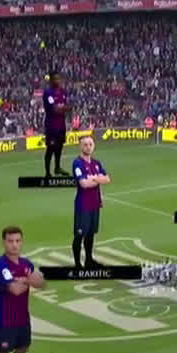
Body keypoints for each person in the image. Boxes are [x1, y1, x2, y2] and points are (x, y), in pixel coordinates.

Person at [0, 225, 45, 353]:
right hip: (5, 318)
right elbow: (15, 290)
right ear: (4, 242)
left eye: (17, 241)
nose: (14, 245)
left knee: (22, 349)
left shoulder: (26, 263)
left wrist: (24, 279)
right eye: (10, 241)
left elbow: (41, 283)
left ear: (22, 242)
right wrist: (29, 280)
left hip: (22, 317)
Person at [71, 135, 110, 268]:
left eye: (90, 144)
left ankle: (89, 260)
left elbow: (107, 179)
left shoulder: (96, 163)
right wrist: (98, 179)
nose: (88, 147)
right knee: (79, 235)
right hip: (83, 205)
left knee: (90, 234)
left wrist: (94, 179)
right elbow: (84, 184)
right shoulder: (78, 163)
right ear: (80, 146)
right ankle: (77, 264)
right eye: (85, 144)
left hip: (95, 203)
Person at [42, 70, 71, 178]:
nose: (57, 81)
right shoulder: (48, 93)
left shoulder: (63, 92)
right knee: (51, 148)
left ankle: (57, 168)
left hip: (61, 125)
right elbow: (54, 109)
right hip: (51, 126)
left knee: (59, 147)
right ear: (51, 80)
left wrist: (61, 108)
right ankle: (47, 172)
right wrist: (62, 108)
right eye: (55, 79)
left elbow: (69, 106)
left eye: (58, 78)